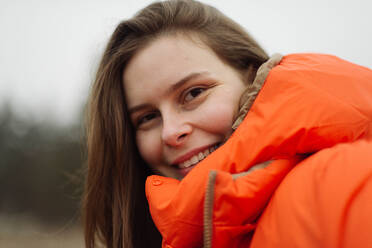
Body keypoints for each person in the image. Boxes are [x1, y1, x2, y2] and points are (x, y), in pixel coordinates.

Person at [82, 0, 372, 248]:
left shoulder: (346, 184)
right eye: (147, 118)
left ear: (251, 77)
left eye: (194, 93)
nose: (171, 132)